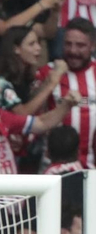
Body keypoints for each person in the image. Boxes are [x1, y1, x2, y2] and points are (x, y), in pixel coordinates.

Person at [33, 18, 96, 167]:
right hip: (53, 167)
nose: (73, 51)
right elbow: (31, 114)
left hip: (92, 168)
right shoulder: (46, 72)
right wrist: (51, 81)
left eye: (80, 45)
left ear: (92, 46)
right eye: (68, 44)